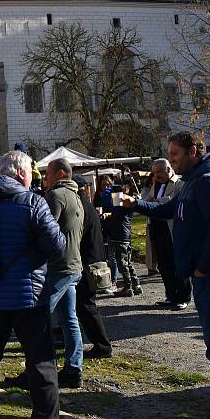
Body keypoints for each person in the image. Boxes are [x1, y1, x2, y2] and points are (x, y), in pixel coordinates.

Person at [123, 132, 210, 419]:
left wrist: (203, 268)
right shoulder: (194, 182)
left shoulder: (208, 183)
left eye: (175, 153)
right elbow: (170, 209)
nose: (172, 159)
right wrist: (136, 205)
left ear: (193, 151)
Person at [0, 150, 66, 419]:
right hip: (28, 296)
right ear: (22, 174)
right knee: (40, 360)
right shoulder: (33, 202)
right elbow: (57, 247)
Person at [44, 158, 85, 389]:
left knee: (38, 317)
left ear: (60, 174)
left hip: (59, 267)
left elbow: (45, 231)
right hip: (72, 265)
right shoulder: (77, 196)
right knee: (70, 319)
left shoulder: (56, 196)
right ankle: (73, 368)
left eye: (48, 173)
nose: (46, 178)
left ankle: (39, 371)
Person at [72, 176, 113, 359]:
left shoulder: (80, 205)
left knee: (86, 305)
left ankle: (102, 345)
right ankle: (100, 344)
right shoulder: (85, 204)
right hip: (92, 259)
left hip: (87, 262)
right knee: (84, 305)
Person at [145, 159, 189, 310]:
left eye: (159, 172)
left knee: (178, 264)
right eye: (154, 172)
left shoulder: (180, 183)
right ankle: (171, 295)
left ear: (169, 170)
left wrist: (157, 201)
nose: (156, 175)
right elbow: (148, 201)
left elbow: (175, 202)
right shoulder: (156, 184)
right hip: (157, 227)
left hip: (172, 229)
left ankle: (183, 297)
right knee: (164, 265)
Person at [101, 182, 140, 298]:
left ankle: (128, 288)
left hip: (119, 237)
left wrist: (110, 192)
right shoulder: (128, 205)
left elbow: (113, 208)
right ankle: (136, 285)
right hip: (126, 236)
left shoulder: (119, 204)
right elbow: (117, 214)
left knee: (122, 263)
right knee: (128, 262)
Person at [141, 172, 159, 276]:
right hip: (152, 221)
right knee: (152, 245)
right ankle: (152, 266)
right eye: (154, 178)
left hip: (163, 220)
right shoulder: (146, 190)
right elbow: (144, 203)